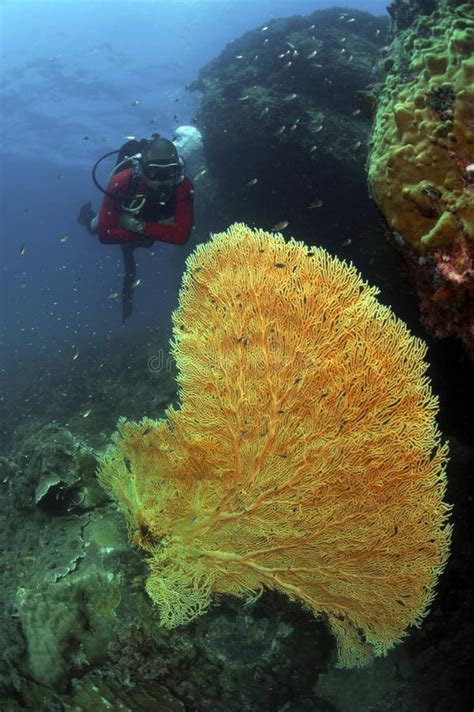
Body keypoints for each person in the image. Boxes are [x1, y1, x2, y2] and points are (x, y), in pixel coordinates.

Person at [78, 135, 194, 321]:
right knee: (96, 227)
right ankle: (85, 216)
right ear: (142, 169)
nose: (162, 181)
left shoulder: (183, 186)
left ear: (177, 170)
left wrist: (136, 226)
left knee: (139, 248)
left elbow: (181, 236)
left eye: (169, 173)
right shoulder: (122, 181)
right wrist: (155, 230)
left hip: (132, 222)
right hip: (127, 213)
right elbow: (106, 234)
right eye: (155, 173)